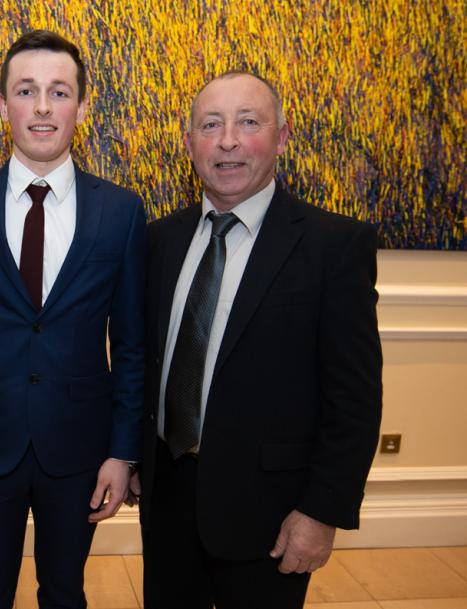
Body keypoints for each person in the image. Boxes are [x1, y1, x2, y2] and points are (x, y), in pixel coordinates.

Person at [139, 71, 383, 609]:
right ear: (189, 143)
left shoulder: (334, 247)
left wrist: (321, 512)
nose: (227, 140)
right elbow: (148, 361)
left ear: (281, 136)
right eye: (210, 125)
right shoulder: (159, 240)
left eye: (248, 122)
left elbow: (355, 400)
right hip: (169, 502)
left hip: (271, 516)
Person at [0, 30, 145, 609]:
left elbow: (130, 346)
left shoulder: (121, 211)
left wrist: (121, 453)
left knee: (65, 592)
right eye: (27, 90)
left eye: (59, 91)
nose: (43, 107)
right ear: (2, 105)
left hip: (79, 447)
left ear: (81, 105)